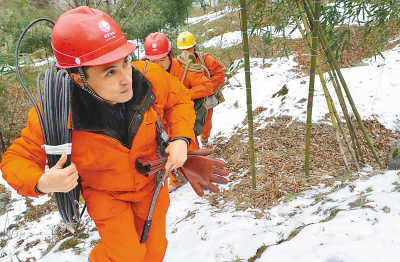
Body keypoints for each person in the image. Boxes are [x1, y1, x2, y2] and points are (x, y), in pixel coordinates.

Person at [0, 7, 225, 262]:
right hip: (106, 195)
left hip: (151, 184)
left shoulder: (147, 78)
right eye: (109, 71)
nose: (125, 77)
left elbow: (179, 100)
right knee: (127, 256)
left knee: (154, 252)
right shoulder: (59, 113)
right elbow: (15, 159)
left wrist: (181, 139)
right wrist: (41, 182)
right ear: (78, 77)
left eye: (125, 62)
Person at [143, 32, 215, 191]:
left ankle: (197, 174)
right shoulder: (143, 72)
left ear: (170, 55)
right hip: (159, 123)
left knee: (189, 149)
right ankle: (176, 175)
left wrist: (180, 97)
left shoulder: (183, 69)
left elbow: (207, 86)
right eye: (153, 61)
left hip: (181, 120)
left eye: (162, 60)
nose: (158, 65)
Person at [177, 31, 225, 146]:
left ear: (194, 47)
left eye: (188, 49)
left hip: (205, 98)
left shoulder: (205, 59)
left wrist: (205, 87)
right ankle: (193, 145)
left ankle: (205, 140)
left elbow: (220, 75)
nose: (186, 52)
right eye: (183, 50)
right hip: (187, 100)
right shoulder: (177, 64)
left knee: (206, 120)